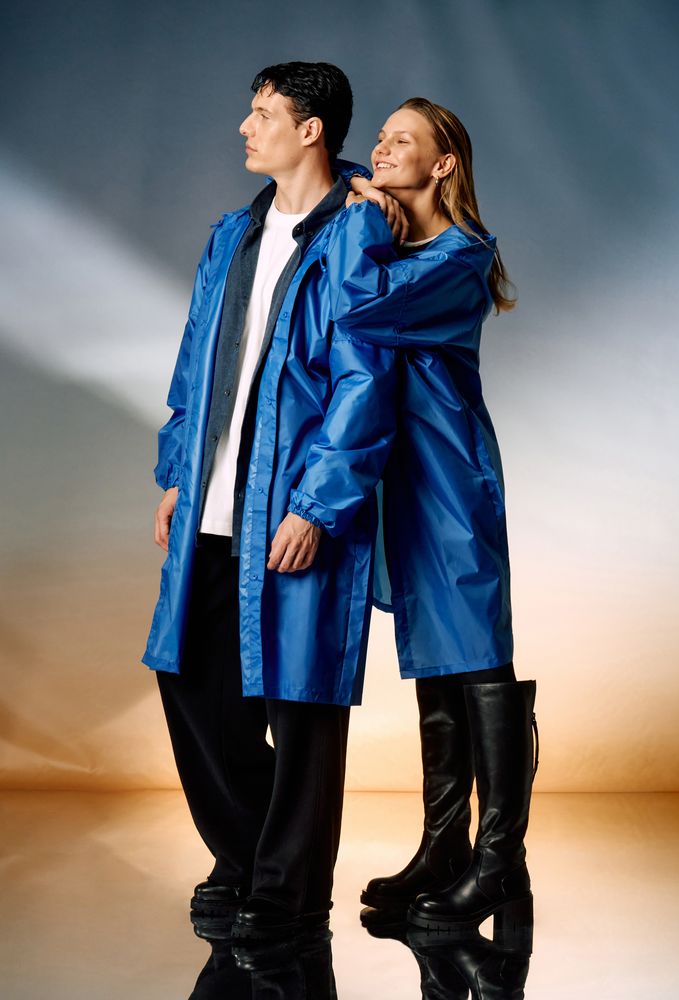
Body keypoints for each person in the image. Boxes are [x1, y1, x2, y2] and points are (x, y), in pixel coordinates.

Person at [142, 62, 404, 942]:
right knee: (190, 678)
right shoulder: (234, 234)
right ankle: (249, 856)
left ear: (311, 129)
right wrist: (177, 476)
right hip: (215, 502)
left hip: (294, 506)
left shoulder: (357, 233)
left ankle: (288, 892)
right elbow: (193, 363)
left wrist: (318, 506)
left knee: (301, 703)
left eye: (262, 114)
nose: (245, 128)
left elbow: (366, 381)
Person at [311, 97, 540, 931]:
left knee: (478, 657)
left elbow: (361, 307)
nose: (380, 149)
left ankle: (499, 862)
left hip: (450, 483)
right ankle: (444, 848)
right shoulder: (400, 247)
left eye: (400, 140)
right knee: (437, 660)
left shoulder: (462, 256)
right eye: (379, 137)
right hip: (401, 484)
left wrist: (361, 219)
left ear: (442, 164)